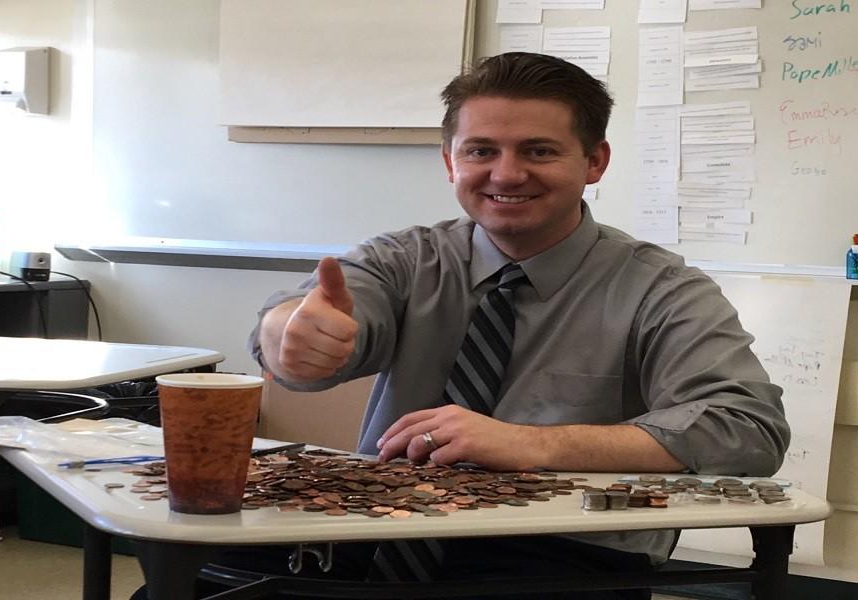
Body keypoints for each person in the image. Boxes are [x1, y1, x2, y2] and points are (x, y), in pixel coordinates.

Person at [248, 52, 790, 599]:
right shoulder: (406, 260)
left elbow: (747, 428)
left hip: (565, 554)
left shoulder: (661, 289)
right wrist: (287, 338)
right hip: (380, 529)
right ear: (449, 162)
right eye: (481, 151)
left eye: (539, 151)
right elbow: (310, 317)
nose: (506, 174)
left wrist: (532, 444)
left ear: (595, 162)